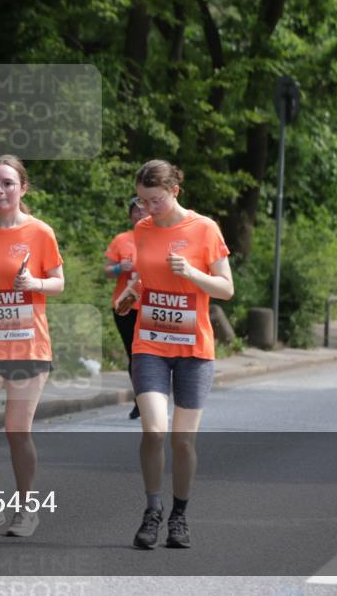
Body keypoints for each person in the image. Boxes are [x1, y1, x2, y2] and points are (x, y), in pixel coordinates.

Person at [114, 159, 233, 550]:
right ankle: (153, 510)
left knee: (182, 441)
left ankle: (179, 517)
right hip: (149, 343)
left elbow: (226, 289)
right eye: (143, 201)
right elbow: (143, 280)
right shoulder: (142, 230)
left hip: (194, 349)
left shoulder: (204, 229)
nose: (149, 209)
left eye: (156, 200)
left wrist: (192, 275)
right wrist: (130, 296)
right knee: (153, 429)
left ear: (175, 192)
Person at [0, 154, 65, 539]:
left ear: (22, 188)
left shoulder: (40, 232)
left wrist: (35, 284)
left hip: (27, 346)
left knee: (17, 431)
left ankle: (27, 508)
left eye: (7, 183)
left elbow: (58, 282)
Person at [104, 197, 149, 419]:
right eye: (135, 211)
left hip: (152, 305)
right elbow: (107, 270)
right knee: (134, 355)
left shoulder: (160, 237)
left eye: (143, 210)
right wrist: (120, 268)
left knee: (149, 355)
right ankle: (140, 400)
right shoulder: (122, 240)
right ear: (130, 215)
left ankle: (151, 398)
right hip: (126, 304)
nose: (139, 214)